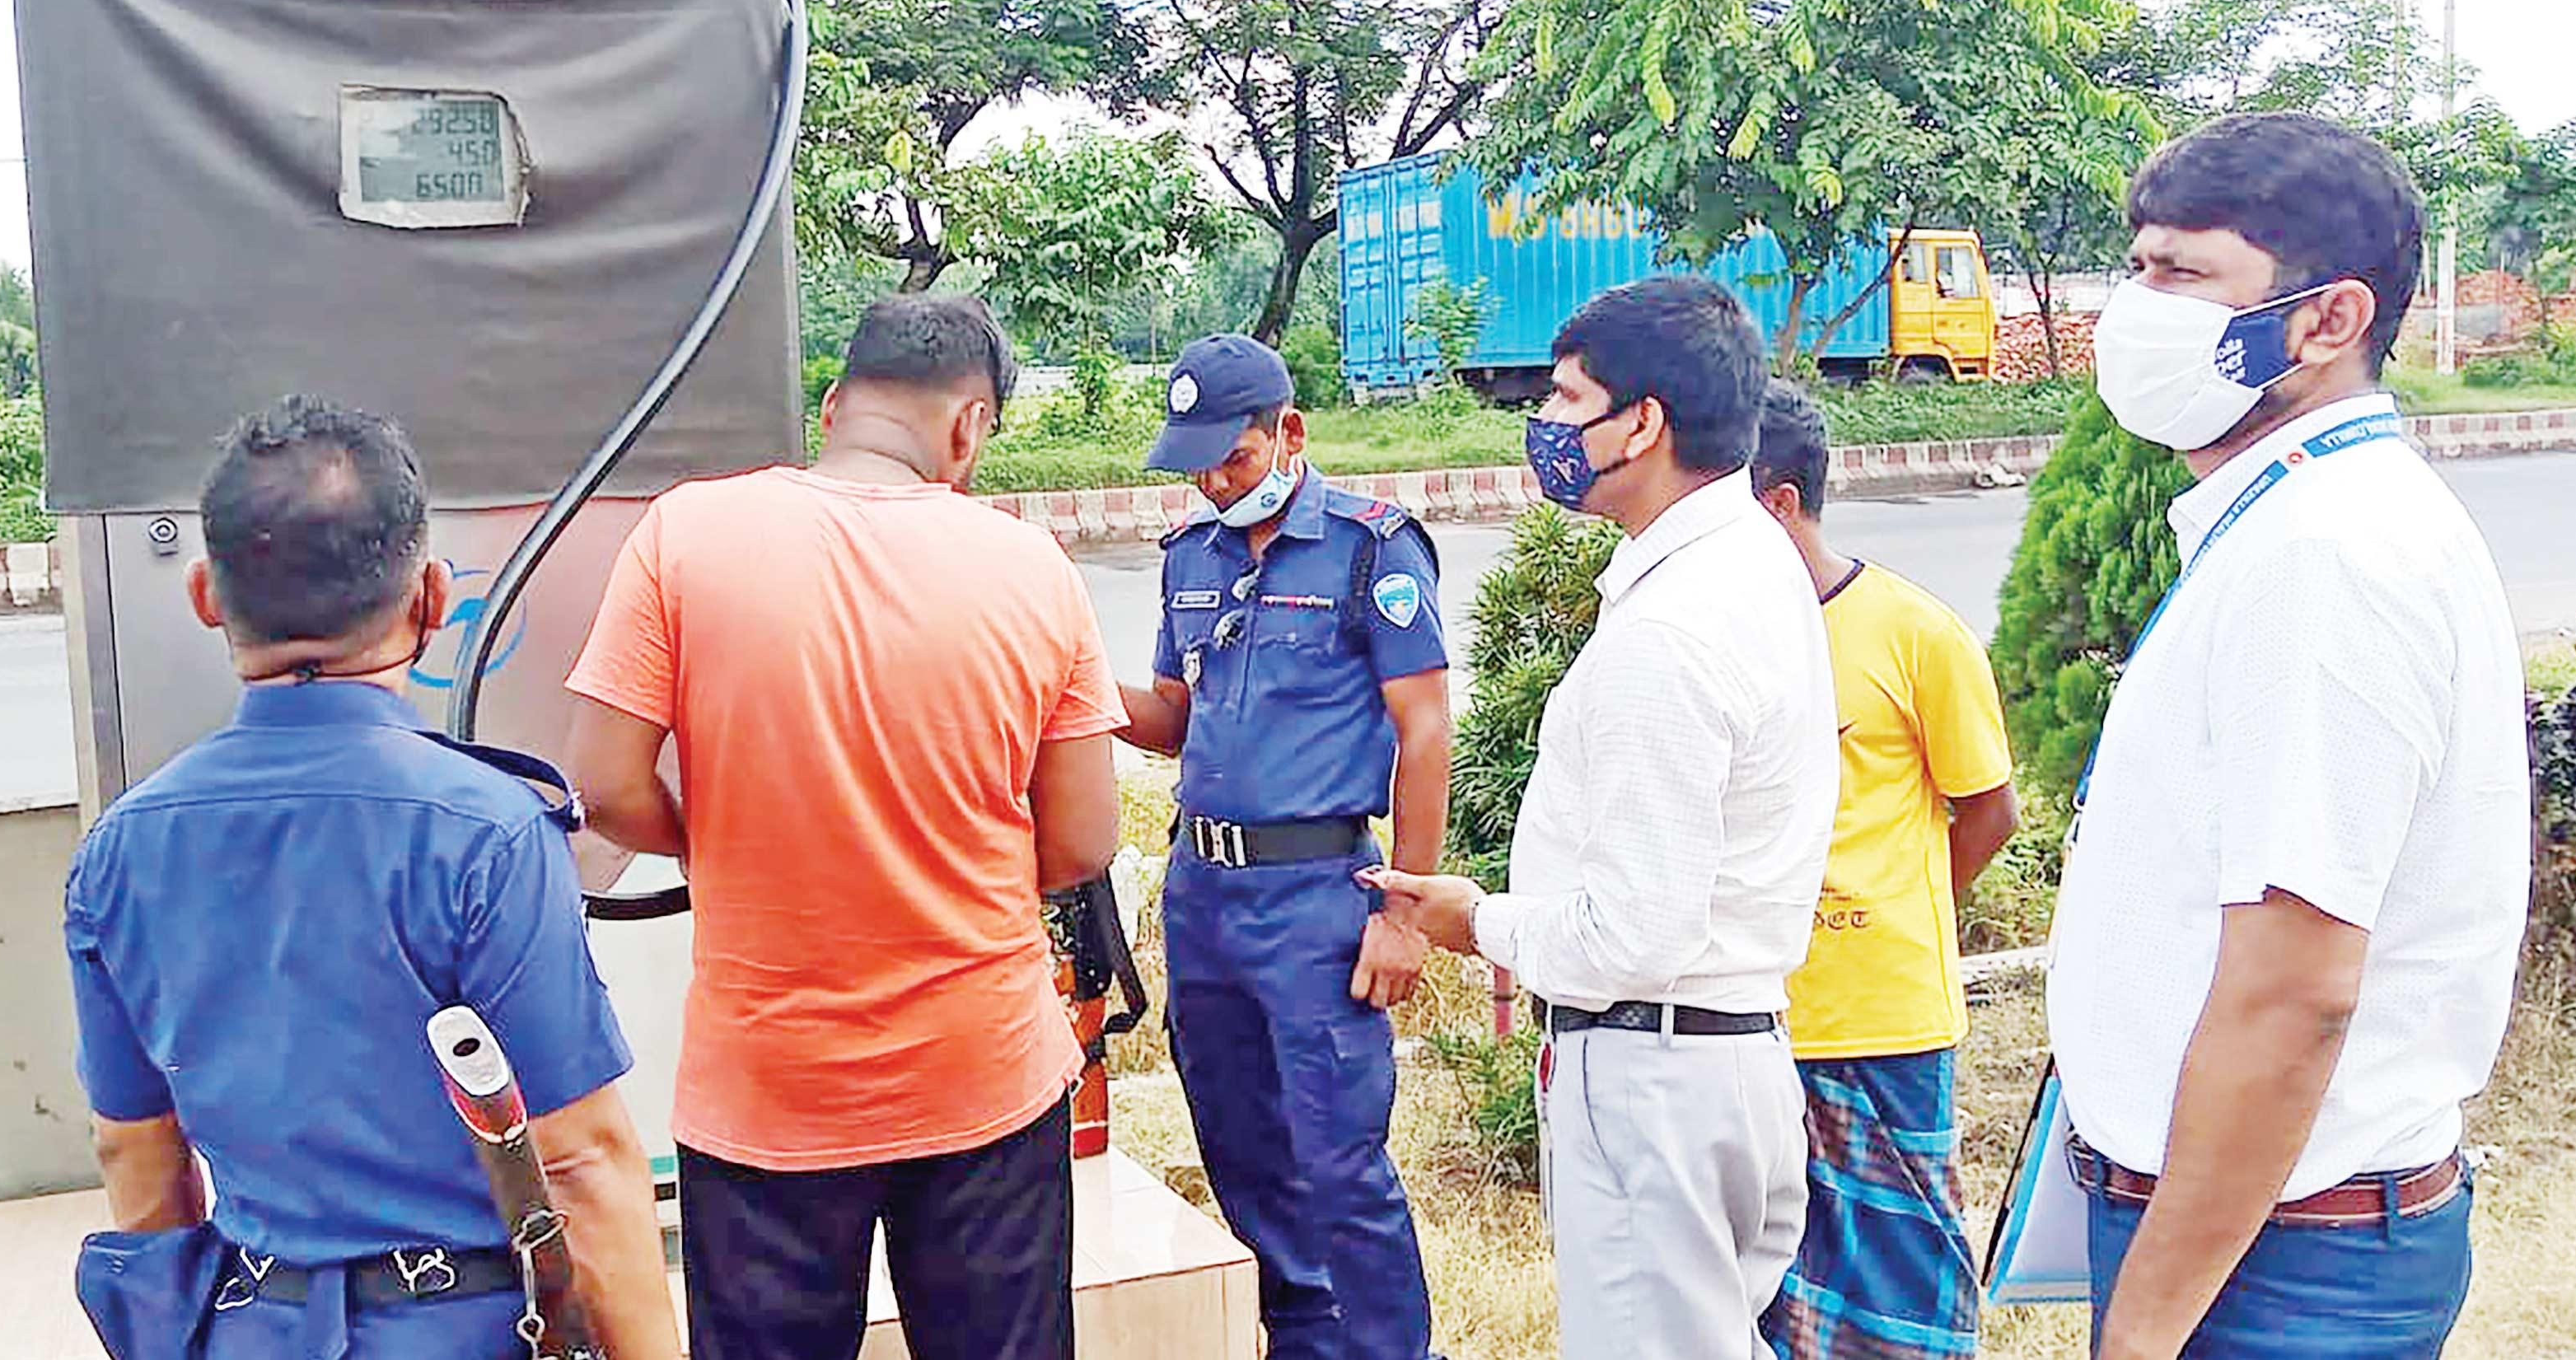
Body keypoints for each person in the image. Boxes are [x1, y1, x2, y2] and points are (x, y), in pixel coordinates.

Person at [563, 293, 1124, 1360]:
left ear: (833, 407)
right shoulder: (1028, 567)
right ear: (970, 425)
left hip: (766, 1091)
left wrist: (723, 840)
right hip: (984, 1079)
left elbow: (603, 784)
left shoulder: (686, 534)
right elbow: (1084, 838)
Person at [2050, 111, 2528, 1359]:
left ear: (2326, 321)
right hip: (2259, 1234)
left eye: (2185, 274)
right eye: (2138, 265)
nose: (2137, 306)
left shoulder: (2327, 557)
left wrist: (2143, 1328)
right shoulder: (2299, 519)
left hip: (2277, 1260)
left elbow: (2297, 989)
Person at [62, 397, 676, 1360]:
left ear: (205, 597)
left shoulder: (121, 851)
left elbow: (134, 1150)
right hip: (468, 1330)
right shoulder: (488, 833)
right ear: (431, 599)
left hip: (250, 1327)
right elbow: (583, 1160)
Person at [1363, 275, 1837, 1360]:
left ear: (1645, 423)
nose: (1548, 427)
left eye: (1569, 401)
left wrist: (1476, 919)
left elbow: (1633, 933)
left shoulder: (1671, 632)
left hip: (1652, 1069)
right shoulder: (1746, 561)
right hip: (1724, 1053)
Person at [1115, 333, 1453, 1360]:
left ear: (1288, 434)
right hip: (1204, 899)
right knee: (1238, 1144)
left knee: (1339, 1161)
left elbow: (1424, 729)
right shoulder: (1192, 556)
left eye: (1235, 459)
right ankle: (1304, 1341)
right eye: (1199, 467)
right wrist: (1065, 676)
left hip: (1317, 894)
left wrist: (1405, 913)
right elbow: (1173, 718)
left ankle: (1394, 1350)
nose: (1218, 484)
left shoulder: (1371, 548)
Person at [1748, 380, 2020, 1360]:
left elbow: (1989, 809)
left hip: (1885, 1019)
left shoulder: (1915, 632)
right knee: (1768, 1286)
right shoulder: (1717, 634)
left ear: (1779, 503)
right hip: (1744, 1012)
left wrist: (1906, 910)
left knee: (1900, 1291)